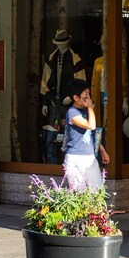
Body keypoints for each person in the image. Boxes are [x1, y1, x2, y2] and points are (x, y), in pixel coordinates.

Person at [40, 29, 86, 164]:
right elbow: (44, 81)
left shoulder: (75, 59)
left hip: (70, 104)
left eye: (62, 43)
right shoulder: (51, 59)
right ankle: (51, 163)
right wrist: (45, 101)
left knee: (69, 132)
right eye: (58, 43)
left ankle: (67, 162)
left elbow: (81, 83)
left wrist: (73, 97)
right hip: (53, 101)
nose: (60, 46)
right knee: (52, 134)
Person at [62, 79, 110, 191]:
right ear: (76, 97)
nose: (89, 98)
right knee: (79, 194)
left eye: (89, 94)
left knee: (97, 191)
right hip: (75, 158)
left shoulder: (87, 112)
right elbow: (91, 126)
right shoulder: (72, 112)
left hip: (90, 157)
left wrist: (102, 151)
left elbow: (93, 133)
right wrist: (90, 107)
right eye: (86, 94)